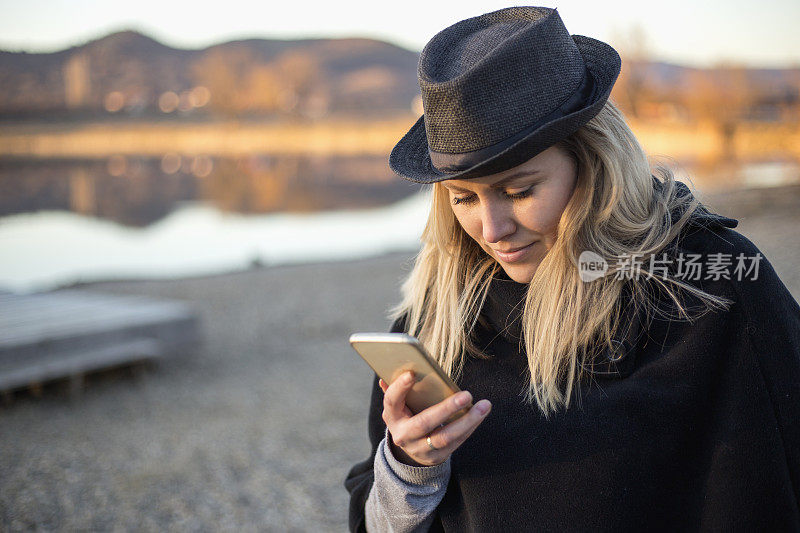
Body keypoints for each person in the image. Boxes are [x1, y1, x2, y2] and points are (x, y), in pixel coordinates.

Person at [344, 6, 800, 532]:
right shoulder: (440, 318)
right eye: (463, 198)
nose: (492, 230)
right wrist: (411, 473)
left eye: (520, 191)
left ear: (594, 161)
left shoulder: (713, 286)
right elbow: (373, 523)